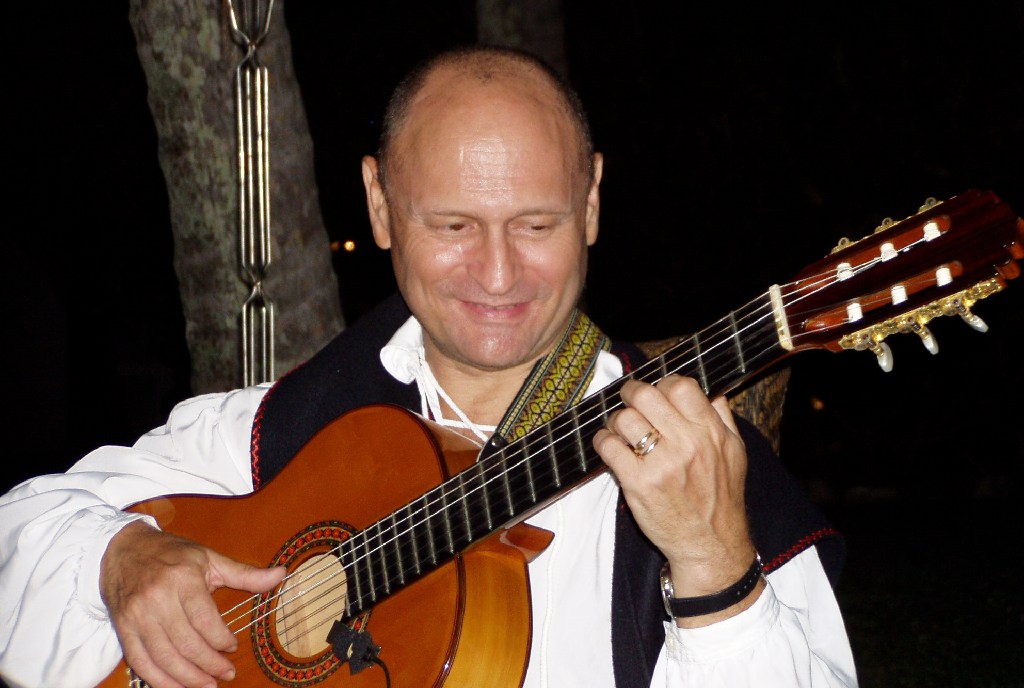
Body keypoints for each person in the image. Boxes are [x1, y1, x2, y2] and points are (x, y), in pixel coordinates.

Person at [0, 45, 858, 688]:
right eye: (453, 226)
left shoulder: (712, 477)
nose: (498, 275)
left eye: (536, 225)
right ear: (379, 205)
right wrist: (120, 559)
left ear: (592, 200)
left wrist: (714, 569)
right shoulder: (271, 435)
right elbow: (23, 526)